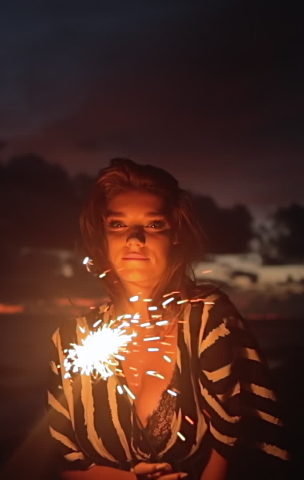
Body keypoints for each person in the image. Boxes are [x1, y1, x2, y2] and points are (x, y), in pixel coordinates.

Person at [46, 159, 289, 480]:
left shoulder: (206, 316)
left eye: (153, 224)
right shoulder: (72, 338)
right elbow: (67, 462)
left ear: (175, 233)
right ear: (103, 235)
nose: (135, 238)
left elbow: (233, 444)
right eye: (117, 224)